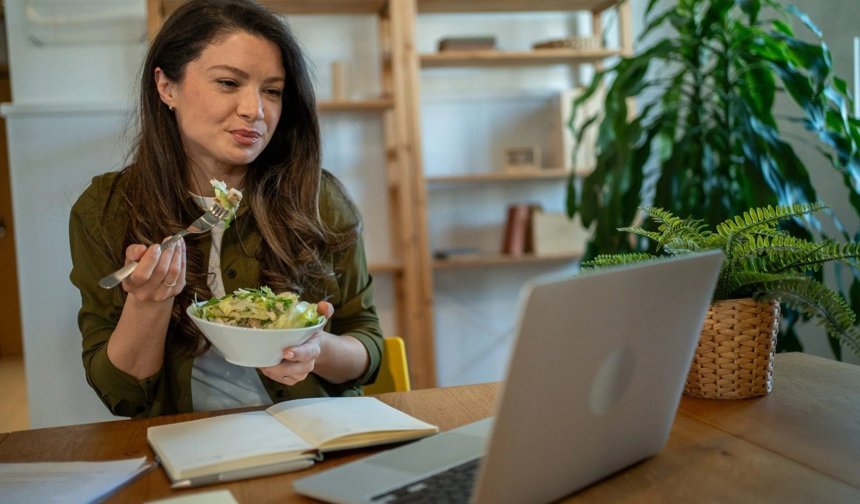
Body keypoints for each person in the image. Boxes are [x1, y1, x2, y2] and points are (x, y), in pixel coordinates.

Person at [69, 0, 383, 418]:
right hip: (189, 447)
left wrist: (317, 349)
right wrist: (147, 303)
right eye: (229, 83)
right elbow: (122, 395)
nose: (255, 110)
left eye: (272, 91)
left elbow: (367, 346)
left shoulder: (319, 198)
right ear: (166, 87)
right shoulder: (105, 210)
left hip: (315, 433)